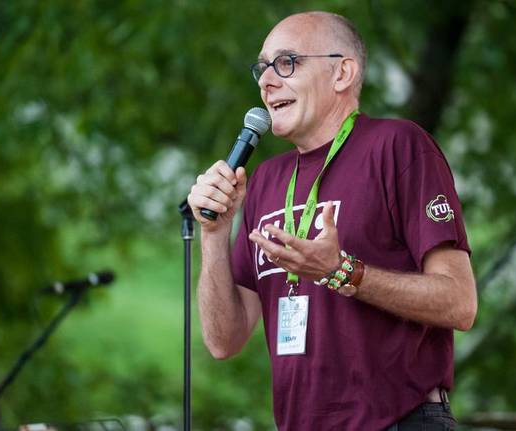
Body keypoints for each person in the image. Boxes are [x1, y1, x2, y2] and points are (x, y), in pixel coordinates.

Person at [187, 11, 477, 431]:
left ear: (342, 73)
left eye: (286, 62)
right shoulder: (265, 179)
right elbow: (223, 341)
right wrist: (214, 234)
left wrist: (341, 272)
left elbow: (460, 303)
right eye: (262, 68)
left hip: (400, 420)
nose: (267, 82)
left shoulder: (397, 145)